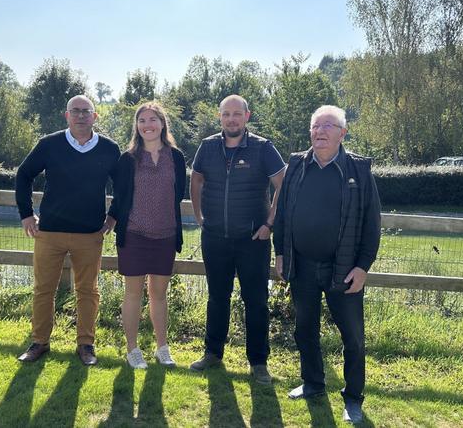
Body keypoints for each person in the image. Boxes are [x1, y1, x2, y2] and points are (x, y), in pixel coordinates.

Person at [273, 105, 381, 424]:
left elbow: (372, 223)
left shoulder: (358, 170)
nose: (320, 131)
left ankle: (353, 398)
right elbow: (281, 214)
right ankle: (313, 383)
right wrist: (280, 252)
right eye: (315, 126)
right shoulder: (296, 165)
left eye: (328, 126)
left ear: (342, 133)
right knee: (305, 330)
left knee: (353, 337)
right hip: (303, 266)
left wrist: (363, 266)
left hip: (344, 269)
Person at [15, 95, 120, 366]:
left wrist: (113, 217)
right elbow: (24, 174)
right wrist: (26, 214)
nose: (81, 116)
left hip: (90, 234)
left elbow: (124, 187)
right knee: (43, 289)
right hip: (49, 232)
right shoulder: (49, 144)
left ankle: (86, 344)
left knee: (87, 291)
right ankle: (40, 342)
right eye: (76, 111)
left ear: (96, 116)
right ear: (67, 115)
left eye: (86, 111)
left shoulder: (109, 148)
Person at [189, 94, 286, 385]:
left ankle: (258, 363)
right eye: (226, 114)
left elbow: (284, 183)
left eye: (236, 114)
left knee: (255, 301)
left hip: (253, 240)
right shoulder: (207, 147)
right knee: (217, 297)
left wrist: (270, 223)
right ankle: (212, 353)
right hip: (215, 237)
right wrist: (199, 216)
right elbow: (195, 179)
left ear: (247, 116)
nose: (231, 119)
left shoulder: (262, 148)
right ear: (220, 118)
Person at [106, 102, 186, 369]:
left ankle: (162, 348)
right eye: (142, 120)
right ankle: (133, 350)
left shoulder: (176, 157)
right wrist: (110, 220)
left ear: (163, 124)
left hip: (165, 236)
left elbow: (177, 196)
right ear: (136, 126)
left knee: (159, 295)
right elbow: (120, 195)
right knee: (133, 294)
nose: (147, 125)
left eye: (153, 119)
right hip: (134, 235)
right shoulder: (127, 159)